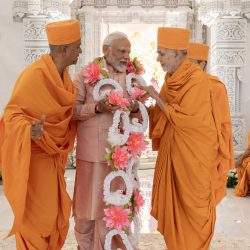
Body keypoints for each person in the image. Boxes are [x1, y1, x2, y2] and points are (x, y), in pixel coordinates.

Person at [0, 19, 82, 249]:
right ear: (64, 49)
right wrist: (28, 130)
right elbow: (12, 115)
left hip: (53, 163)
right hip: (33, 163)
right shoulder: (33, 75)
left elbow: (67, 118)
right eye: (77, 46)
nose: (80, 51)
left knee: (54, 218)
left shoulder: (66, 81)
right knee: (37, 222)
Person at [137, 27, 219, 250]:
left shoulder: (197, 80)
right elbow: (161, 113)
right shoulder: (171, 79)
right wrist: (136, 107)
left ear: (176, 53)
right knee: (175, 215)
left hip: (195, 157)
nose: (158, 58)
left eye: (162, 53)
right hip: (173, 153)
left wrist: (155, 96)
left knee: (194, 211)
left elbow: (187, 120)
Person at [72, 32, 139, 250]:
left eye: (128, 52)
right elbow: (71, 111)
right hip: (91, 154)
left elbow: (140, 116)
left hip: (121, 158)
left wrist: (136, 107)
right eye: (121, 51)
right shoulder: (85, 75)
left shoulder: (132, 78)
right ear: (105, 49)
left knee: (117, 205)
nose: (126, 57)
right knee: (87, 207)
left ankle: (115, 245)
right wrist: (96, 108)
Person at [188, 42, 234, 204]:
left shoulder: (216, 86)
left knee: (205, 194)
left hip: (208, 147)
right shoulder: (180, 85)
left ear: (202, 63)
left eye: (190, 62)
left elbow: (223, 122)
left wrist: (221, 147)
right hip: (184, 146)